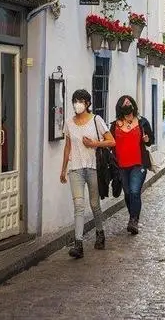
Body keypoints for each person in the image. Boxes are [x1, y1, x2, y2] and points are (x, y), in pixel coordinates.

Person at [86, 95, 154, 235]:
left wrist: (147, 139)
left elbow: (149, 141)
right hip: (121, 166)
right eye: (124, 104)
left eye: (129, 103)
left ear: (134, 106)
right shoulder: (114, 125)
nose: (127, 106)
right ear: (120, 108)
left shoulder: (142, 122)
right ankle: (132, 216)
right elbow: (109, 143)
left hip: (138, 164)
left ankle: (134, 220)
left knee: (135, 191)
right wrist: (96, 144)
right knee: (128, 193)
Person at [60, 89, 113, 258]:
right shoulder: (69, 123)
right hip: (75, 169)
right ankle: (78, 244)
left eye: (81, 101)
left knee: (94, 204)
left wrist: (94, 144)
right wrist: (63, 169)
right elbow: (67, 146)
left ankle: (100, 232)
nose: (78, 104)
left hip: (93, 168)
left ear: (88, 104)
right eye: (75, 101)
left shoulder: (96, 120)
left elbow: (112, 141)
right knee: (79, 206)